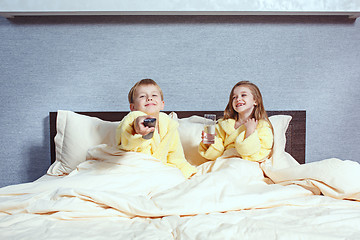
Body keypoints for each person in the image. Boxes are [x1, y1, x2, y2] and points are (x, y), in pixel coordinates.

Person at [116, 78, 197, 178]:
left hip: (158, 172)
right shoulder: (132, 118)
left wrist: (190, 174)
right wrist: (138, 127)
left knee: (176, 175)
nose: (149, 98)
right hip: (133, 169)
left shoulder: (169, 125)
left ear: (162, 104)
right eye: (142, 96)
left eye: (154, 95)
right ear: (132, 107)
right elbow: (128, 134)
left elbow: (176, 158)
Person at [199, 81, 274, 162]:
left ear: (255, 101)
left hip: (246, 164)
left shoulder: (262, 126)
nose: (238, 99)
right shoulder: (223, 125)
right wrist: (211, 142)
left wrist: (250, 131)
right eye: (234, 97)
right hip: (224, 162)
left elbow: (258, 155)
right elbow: (214, 155)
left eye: (243, 95)